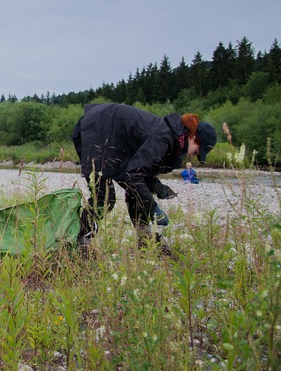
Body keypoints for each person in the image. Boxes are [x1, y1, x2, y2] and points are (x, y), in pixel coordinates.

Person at [71, 103, 217, 256]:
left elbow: (139, 171)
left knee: (136, 191)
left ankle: (146, 240)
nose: (194, 155)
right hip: (96, 129)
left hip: (110, 136)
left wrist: (157, 187)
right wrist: (153, 208)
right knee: (104, 197)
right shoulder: (163, 137)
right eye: (198, 150)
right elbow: (133, 175)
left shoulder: (170, 139)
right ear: (193, 137)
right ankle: (83, 244)